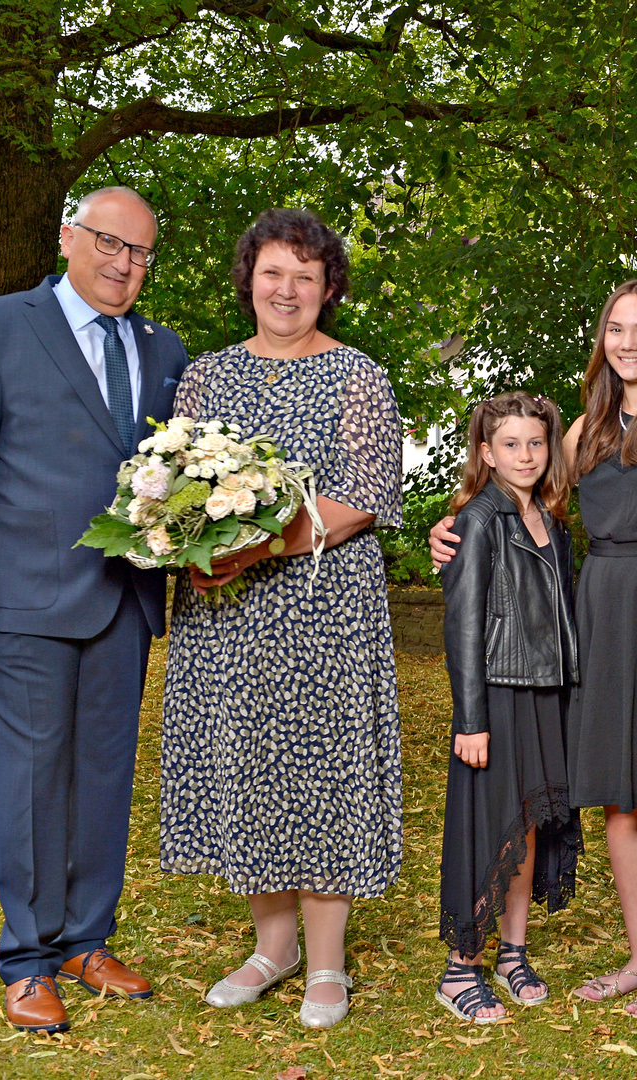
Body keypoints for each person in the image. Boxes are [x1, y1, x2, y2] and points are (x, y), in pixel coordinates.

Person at [430, 282, 637, 1020]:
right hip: (596, 615)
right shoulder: (586, 428)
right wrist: (450, 528)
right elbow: (519, 489)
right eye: (614, 329)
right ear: (601, 340)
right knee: (617, 805)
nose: (628, 342)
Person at [0, 186, 188, 1032]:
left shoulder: (163, 350)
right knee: (32, 782)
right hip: (24, 605)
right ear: (70, 237)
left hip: (126, 603)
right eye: (111, 244)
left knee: (105, 780)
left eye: (142, 253)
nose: (125, 264)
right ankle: (28, 959)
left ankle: (86, 939)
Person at [160, 208, 404, 1030]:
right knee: (251, 764)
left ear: (329, 287)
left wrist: (260, 547)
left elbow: (365, 497)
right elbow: (178, 484)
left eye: (305, 275)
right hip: (224, 612)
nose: (287, 289)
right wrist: (188, 543)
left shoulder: (358, 375)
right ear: (249, 281)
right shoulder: (205, 377)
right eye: (273, 272)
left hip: (322, 607)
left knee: (321, 768)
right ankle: (273, 948)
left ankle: (327, 962)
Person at [436, 392, 582, 1023]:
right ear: (486, 453)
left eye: (536, 443)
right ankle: (459, 968)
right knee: (487, 829)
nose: (526, 455)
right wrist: (470, 718)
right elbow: (462, 624)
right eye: (511, 444)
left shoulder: (552, 522)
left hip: (547, 691)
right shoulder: (479, 520)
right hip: (496, 693)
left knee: (528, 829)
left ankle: (513, 952)